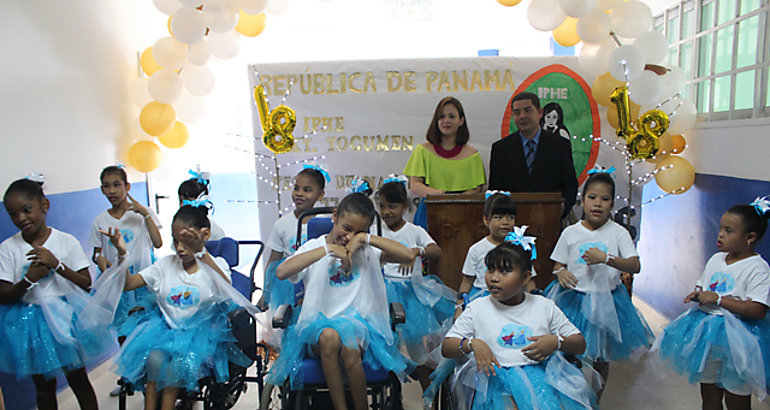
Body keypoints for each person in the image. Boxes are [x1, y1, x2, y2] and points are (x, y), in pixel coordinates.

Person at [266, 192, 415, 410]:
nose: (349, 236)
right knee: (330, 336)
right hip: (317, 327)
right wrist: (327, 249)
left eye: (359, 231)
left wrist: (365, 239)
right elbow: (281, 272)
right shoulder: (313, 248)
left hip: (358, 328)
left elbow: (408, 256)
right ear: (334, 216)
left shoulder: (366, 251)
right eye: (346, 228)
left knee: (349, 342)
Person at [106, 205, 256, 410]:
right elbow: (129, 284)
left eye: (186, 241)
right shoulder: (165, 265)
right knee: (154, 359)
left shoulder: (215, 265)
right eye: (176, 240)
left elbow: (227, 291)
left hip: (202, 336)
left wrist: (202, 253)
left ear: (205, 235)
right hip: (166, 332)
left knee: (177, 362)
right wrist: (123, 255)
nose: (180, 248)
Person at [439, 239, 596, 409]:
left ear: (525, 277)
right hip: (493, 381)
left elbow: (580, 344)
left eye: (505, 271)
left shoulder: (544, 306)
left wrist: (556, 342)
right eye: (490, 270)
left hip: (539, 378)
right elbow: (447, 347)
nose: (494, 278)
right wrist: (472, 344)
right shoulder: (478, 308)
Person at [653, 199, 770, 409]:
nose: (720, 234)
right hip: (707, 337)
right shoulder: (716, 259)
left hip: (739, 342)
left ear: (750, 237)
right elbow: (704, 286)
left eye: (729, 230)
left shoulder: (758, 268)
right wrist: (698, 294)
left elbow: (758, 309)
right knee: (709, 394)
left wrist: (718, 299)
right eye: (721, 228)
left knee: (737, 398)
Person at [545, 171, 653, 397]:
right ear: (582, 200)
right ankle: (576, 397)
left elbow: (635, 265)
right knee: (571, 354)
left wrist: (605, 258)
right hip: (572, 301)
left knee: (601, 357)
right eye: (592, 197)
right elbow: (557, 265)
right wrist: (560, 273)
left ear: (612, 203)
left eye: (605, 199)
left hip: (607, 303)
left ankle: (596, 399)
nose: (598, 204)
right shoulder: (570, 232)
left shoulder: (618, 232)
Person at [0, 178, 100, 410]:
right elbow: (3, 295)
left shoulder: (65, 241)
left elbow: (86, 283)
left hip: (65, 319)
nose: (21, 218)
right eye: (13, 214)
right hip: (29, 324)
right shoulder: (8, 249)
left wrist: (57, 265)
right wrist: (28, 279)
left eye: (27, 210)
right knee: (44, 387)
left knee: (78, 379)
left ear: (44, 205)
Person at [377, 176, 454, 392]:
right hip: (383, 292)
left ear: (404, 206)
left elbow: (436, 250)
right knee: (387, 343)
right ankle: (392, 392)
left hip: (412, 293)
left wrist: (416, 251)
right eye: (382, 206)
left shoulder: (414, 231)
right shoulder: (376, 231)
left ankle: (427, 393)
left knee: (417, 348)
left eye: (392, 206)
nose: (386, 212)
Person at [488, 92, 578, 219]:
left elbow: (570, 185)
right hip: (511, 223)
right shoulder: (501, 149)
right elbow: (495, 191)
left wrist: (562, 208)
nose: (522, 116)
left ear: (540, 113)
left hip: (549, 219)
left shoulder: (560, 145)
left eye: (527, 110)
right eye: (517, 112)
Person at [404, 96, 486, 228]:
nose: (446, 121)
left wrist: (454, 202)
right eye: (441, 116)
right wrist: (440, 195)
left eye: (452, 116)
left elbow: (476, 189)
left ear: (461, 121)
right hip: (429, 212)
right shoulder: (422, 150)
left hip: (463, 213)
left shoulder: (473, 154)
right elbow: (415, 185)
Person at [259, 165, 327, 311]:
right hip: (289, 283)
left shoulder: (325, 223)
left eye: (307, 190)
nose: (299, 194)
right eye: (296, 188)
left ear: (320, 195)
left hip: (317, 281)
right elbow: (273, 262)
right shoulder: (282, 224)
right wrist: (266, 293)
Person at [456, 193, 518, 313]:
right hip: (483, 300)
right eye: (498, 217)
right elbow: (467, 281)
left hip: (511, 298)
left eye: (510, 217)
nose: (505, 222)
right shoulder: (476, 249)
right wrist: (459, 308)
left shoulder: (519, 248)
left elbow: (529, 281)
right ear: (486, 220)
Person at [178, 169, 225, 240]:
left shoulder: (215, 231)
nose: (182, 204)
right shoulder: (179, 225)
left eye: (186, 199)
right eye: (180, 199)